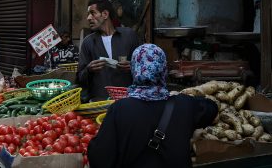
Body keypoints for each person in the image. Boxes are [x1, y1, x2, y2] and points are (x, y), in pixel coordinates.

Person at [87, 44, 218, 168]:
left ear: (134, 69)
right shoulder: (185, 104)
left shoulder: (120, 108)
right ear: (164, 70)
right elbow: (212, 108)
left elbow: (99, 159)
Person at [77, 0, 140, 101]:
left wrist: (133, 66)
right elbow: (79, 78)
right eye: (88, 14)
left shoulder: (129, 36)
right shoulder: (88, 42)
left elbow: (145, 67)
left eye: (93, 13)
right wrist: (88, 69)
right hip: (99, 102)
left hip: (128, 100)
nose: (88, 18)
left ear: (105, 14)